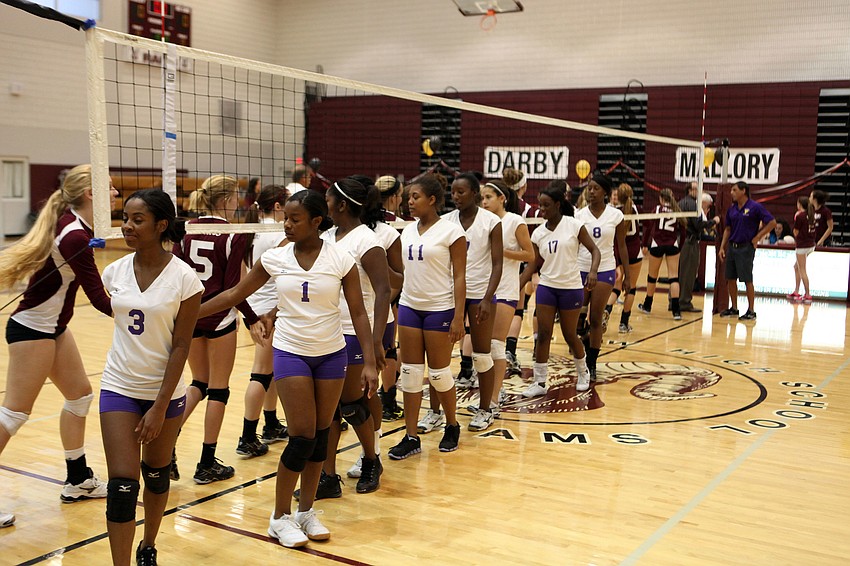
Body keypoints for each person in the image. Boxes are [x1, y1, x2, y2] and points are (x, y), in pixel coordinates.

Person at [197, 189, 378, 548]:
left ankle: (305, 512)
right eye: (286, 219)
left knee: (322, 437)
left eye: (295, 219)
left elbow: (358, 311)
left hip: (332, 354)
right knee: (302, 437)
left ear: (316, 221)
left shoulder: (340, 259)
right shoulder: (276, 258)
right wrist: (187, 313)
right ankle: (279, 517)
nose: (288, 225)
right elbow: (234, 295)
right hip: (291, 352)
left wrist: (371, 361)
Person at [0, 164, 116, 528]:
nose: (115, 194)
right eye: (109, 188)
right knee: (14, 415)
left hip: (54, 329)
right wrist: (158, 310)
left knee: (80, 395)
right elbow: (99, 300)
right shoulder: (74, 236)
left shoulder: (74, 225)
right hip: (32, 330)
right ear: (90, 194)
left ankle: (78, 478)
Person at [100, 188, 203, 565]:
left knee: (156, 476)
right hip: (119, 386)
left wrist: (160, 406)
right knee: (123, 486)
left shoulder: (184, 278)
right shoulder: (114, 271)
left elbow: (181, 346)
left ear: (161, 225)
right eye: (125, 218)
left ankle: (149, 544)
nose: (126, 226)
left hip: (164, 394)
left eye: (136, 220)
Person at [173, 175, 263, 484]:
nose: (239, 201)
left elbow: (175, 275)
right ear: (224, 200)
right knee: (219, 389)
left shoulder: (186, 230)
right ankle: (206, 463)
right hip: (220, 318)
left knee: (198, 382)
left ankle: (167, 448)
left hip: (190, 318)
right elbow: (234, 288)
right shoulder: (232, 235)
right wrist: (252, 318)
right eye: (236, 196)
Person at [316, 178, 390, 496]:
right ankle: (328, 477)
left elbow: (385, 290)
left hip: (354, 332)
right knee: (329, 409)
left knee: (351, 405)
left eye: (328, 199)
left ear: (342, 205)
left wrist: (375, 341)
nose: (325, 203)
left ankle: (371, 460)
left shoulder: (366, 241)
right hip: (326, 330)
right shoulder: (327, 237)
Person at [388, 174, 466, 459]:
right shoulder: (406, 231)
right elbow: (401, 273)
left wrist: (459, 316)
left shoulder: (452, 232)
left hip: (440, 309)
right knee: (409, 373)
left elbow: (459, 276)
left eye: (415, 197)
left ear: (432, 200)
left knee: (439, 373)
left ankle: (452, 425)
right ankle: (411, 436)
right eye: (408, 197)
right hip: (409, 306)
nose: (409, 202)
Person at [522, 184, 600, 397]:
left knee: (569, 334)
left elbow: (595, 250)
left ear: (558, 204)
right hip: (547, 287)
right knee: (543, 334)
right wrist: (517, 285)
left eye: (546, 205)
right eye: (540, 205)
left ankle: (583, 372)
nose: (542, 209)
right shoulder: (538, 233)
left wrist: (593, 272)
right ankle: (539, 382)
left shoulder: (574, 225)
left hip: (571, 287)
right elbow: (532, 264)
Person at [443, 173, 503, 432]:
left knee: (481, 354)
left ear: (474, 194)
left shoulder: (491, 221)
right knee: (441, 357)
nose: (455, 197)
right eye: (453, 192)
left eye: (461, 192)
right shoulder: (446, 221)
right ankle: (436, 413)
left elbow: (498, 263)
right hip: (450, 294)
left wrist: (488, 298)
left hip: (480, 294)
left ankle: (486, 408)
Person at [236, 185, 290, 460]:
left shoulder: (253, 229)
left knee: (270, 371)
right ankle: (247, 437)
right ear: (279, 206)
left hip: (254, 307)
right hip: (268, 312)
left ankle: (270, 424)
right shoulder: (278, 233)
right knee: (260, 373)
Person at [479, 180, 534, 410]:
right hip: (482, 289)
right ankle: (487, 395)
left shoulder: (514, 221)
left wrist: (503, 252)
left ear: (502, 198)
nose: (484, 202)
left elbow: (530, 255)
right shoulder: (480, 221)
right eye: (482, 198)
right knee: (483, 348)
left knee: (495, 346)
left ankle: (494, 397)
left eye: (489, 197)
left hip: (505, 289)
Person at [575, 173, 630, 381]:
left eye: (596, 188)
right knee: (576, 322)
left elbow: (622, 246)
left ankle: (592, 362)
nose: (591, 191)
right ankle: (583, 347)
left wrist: (626, 275)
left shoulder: (615, 216)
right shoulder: (579, 215)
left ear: (606, 192)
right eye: (589, 188)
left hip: (605, 269)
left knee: (596, 318)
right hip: (580, 269)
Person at [718, 182, 776, 320]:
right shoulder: (732, 209)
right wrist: (722, 247)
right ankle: (734, 308)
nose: (731, 192)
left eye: (734, 190)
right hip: (732, 247)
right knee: (730, 278)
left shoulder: (755, 207)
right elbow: (727, 229)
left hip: (746, 248)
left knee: (747, 279)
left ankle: (751, 310)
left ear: (743, 191)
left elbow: (772, 222)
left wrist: (757, 237)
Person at [374, 175, 405, 422]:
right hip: (386, 296)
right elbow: (399, 270)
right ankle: (388, 402)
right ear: (394, 197)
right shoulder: (399, 225)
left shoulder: (360, 224)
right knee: (388, 348)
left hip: (357, 297)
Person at [638, 188, 687, 321]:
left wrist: (644, 244)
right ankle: (676, 311)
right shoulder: (677, 210)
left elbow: (648, 227)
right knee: (674, 278)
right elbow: (683, 232)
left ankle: (647, 305)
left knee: (652, 277)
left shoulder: (657, 209)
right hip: (672, 245)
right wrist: (680, 246)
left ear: (661, 198)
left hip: (657, 244)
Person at [606, 183, 644, 333]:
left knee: (617, 286)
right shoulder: (635, 209)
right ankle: (623, 323)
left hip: (619, 253)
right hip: (634, 252)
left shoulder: (614, 212)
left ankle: (607, 311)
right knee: (631, 287)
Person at [678, 182, 719, 312]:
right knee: (689, 273)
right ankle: (684, 303)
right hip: (690, 242)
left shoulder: (681, 202)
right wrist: (714, 222)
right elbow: (698, 225)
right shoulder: (692, 204)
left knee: (679, 273)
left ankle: (675, 301)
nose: (698, 191)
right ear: (690, 190)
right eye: (696, 189)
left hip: (681, 241)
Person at [789, 196, 815, 303]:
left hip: (802, 245)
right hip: (810, 244)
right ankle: (796, 291)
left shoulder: (800, 216)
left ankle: (807, 294)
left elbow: (795, 231)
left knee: (802, 269)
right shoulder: (811, 215)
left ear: (799, 204)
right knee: (796, 267)